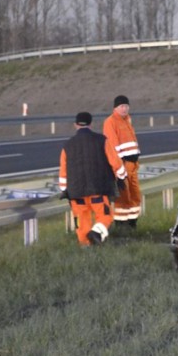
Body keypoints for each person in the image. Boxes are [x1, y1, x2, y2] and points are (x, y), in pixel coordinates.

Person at [59, 112, 127, 246]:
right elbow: (115, 162)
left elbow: (63, 171)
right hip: (99, 189)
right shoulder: (102, 140)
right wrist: (122, 176)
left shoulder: (67, 145)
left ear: (75, 125)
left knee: (81, 222)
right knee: (105, 216)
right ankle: (96, 233)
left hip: (76, 192)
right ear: (91, 124)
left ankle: (85, 246)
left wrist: (64, 189)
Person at [103, 95, 142, 229]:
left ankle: (133, 222)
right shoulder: (111, 122)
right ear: (116, 108)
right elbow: (113, 147)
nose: (125, 108)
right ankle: (122, 225)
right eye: (122, 106)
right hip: (123, 165)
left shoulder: (127, 120)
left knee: (135, 195)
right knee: (123, 197)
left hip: (132, 164)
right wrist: (119, 170)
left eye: (126, 106)